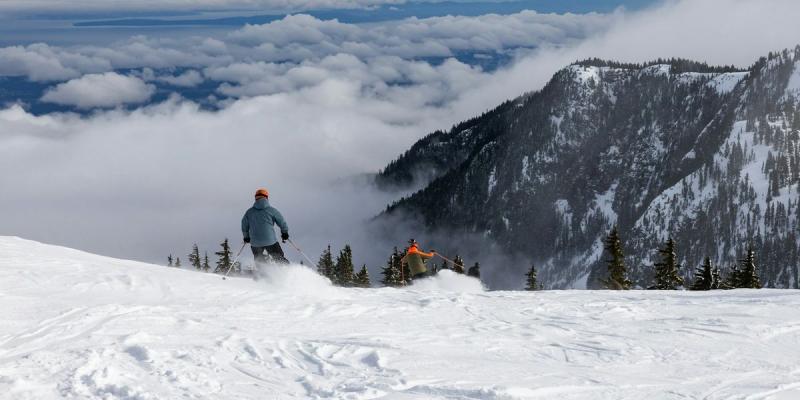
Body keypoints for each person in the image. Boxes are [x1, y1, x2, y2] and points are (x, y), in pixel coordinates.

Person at [242, 188, 289, 266]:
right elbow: (282, 222)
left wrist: (246, 237)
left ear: (256, 198)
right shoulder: (272, 210)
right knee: (279, 257)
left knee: (259, 260)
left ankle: (262, 274)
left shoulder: (249, 212)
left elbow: (244, 225)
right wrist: (284, 233)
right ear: (266, 198)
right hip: (270, 240)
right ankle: (287, 270)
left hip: (255, 242)